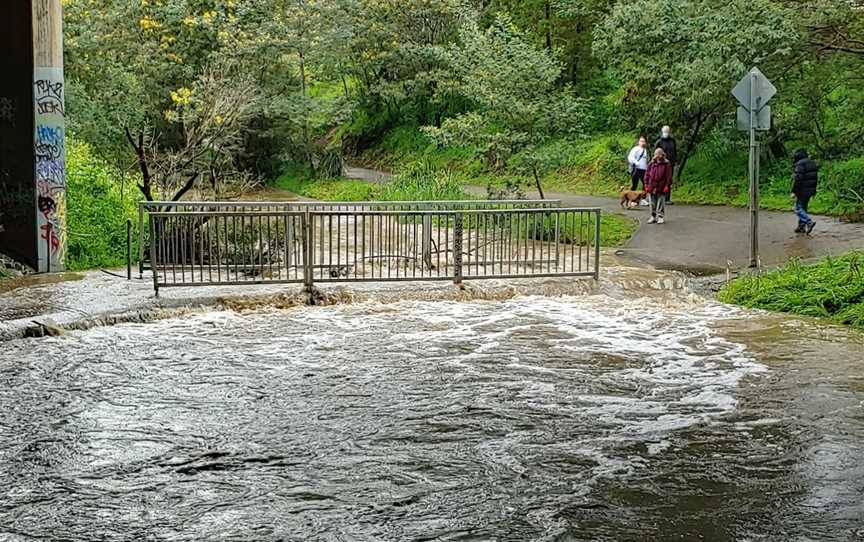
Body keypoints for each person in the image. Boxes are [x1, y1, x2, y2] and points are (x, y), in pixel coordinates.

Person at [792, 148, 818, 234]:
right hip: (810, 189)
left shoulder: (800, 164)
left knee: (798, 208)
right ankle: (801, 227)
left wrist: (794, 191)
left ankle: (809, 222)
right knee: (803, 207)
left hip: (802, 190)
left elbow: (798, 179)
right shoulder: (812, 163)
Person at [644, 148, 673, 224]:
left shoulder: (667, 164)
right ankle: (653, 216)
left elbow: (668, 176)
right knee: (652, 203)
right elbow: (647, 174)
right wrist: (646, 185)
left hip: (661, 186)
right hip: (652, 186)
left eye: (659, 155)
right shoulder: (651, 164)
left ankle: (660, 216)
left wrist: (667, 185)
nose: (657, 157)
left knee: (661, 202)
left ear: (662, 155)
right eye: (656, 155)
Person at [654, 126, 678, 204]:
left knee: (668, 180)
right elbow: (656, 153)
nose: (666, 133)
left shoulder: (672, 141)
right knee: (660, 180)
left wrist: (675, 161)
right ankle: (659, 197)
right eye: (665, 131)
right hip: (661, 164)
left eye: (667, 131)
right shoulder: (659, 142)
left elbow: (675, 152)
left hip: (670, 164)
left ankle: (667, 198)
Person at [627, 136, 649, 202]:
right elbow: (630, 157)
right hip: (636, 169)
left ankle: (643, 199)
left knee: (645, 184)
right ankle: (631, 198)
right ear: (638, 142)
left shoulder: (646, 150)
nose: (642, 143)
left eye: (644, 141)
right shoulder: (636, 149)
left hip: (644, 169)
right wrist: (636, 162)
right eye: (641, 141)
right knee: (634, 184)